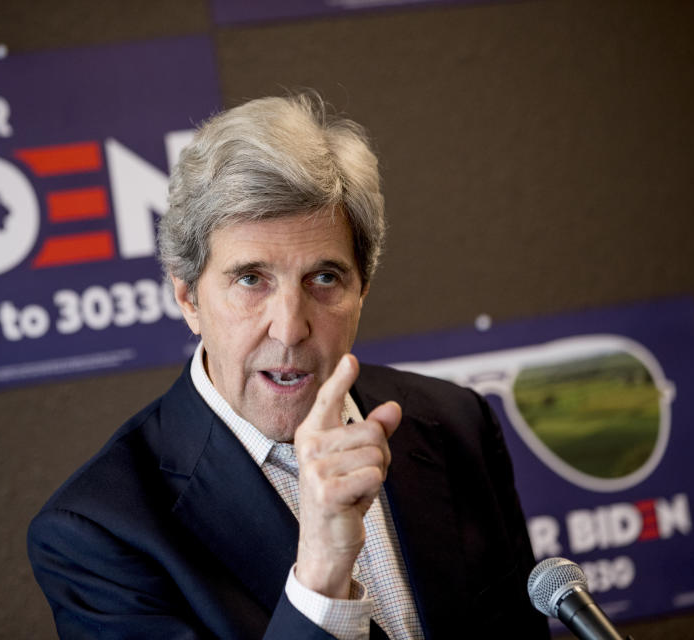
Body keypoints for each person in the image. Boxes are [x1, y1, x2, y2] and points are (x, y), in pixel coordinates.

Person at [28, 92, 550, 639]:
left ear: (363, 289)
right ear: (187, 298)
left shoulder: (454, 423)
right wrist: (321, 580)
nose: (290, 327)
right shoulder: (97, 531)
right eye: (251, 279)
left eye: (324, 278)